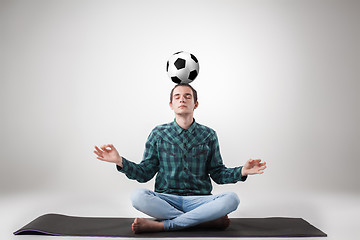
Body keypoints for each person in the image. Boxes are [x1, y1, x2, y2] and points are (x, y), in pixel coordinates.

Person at [94, 83, 267, 234]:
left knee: (232, 199)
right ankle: (202, 221)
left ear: (195, 104)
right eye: (177, 97)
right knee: (137, 196)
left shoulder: (208, 135)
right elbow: (144, 173)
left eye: (187, 96)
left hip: (200, 200)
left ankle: (165, 226)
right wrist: (120, 161)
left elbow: (218, 173)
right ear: (171, 104)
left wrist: (241, 172)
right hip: (166, 199)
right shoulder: (158, 133)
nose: (182, 99)